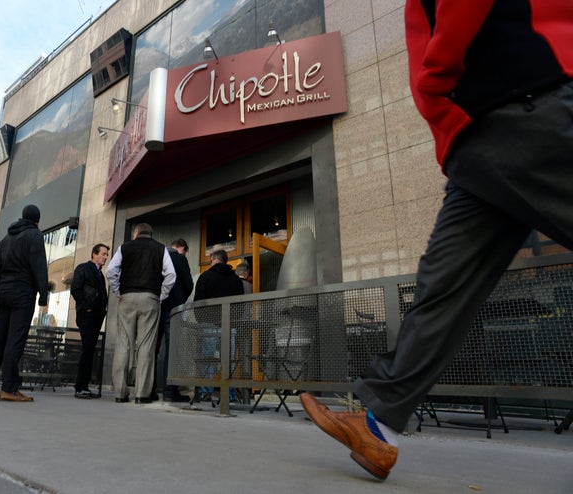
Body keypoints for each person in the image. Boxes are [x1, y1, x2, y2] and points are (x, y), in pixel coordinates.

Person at [300, 0, 573, 481]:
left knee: (441, 291)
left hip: (524, 104)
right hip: (477, 144)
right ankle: (379, 427)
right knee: (441, 291)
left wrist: (435, 77)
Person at [0, 205, 49, 402]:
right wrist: (43, 295)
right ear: (37, 220)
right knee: (15, 339)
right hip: (23, 292)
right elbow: (39, 266)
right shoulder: (34, 235)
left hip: (4, 293)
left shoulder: (6, 239)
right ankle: (9, 388)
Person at [106, 223, 176, 404]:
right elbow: (171, 275)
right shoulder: (160, 248)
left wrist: (118, 291)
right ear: (151, 234)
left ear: (136, 233)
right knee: (146, 346)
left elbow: (111, 271)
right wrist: (161, 295)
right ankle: (141, 394)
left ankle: (120, 393)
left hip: (127, 297)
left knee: (123, 344)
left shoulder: (125, 247)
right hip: (150, 298)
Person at [193, 249, 244, 400]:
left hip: (209, 324)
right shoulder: (235, 279)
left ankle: (206, 392)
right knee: (229, 360)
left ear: (215, 260)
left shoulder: (206, 276)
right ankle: (230, 394)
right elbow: (240, 303)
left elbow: (198, 301)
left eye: (211, 261)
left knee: (208, 359)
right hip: (229, 325)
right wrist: (232, 319)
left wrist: (201, 320)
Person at [153, 238, 194, 402]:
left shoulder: (158, 256)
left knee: (153, 348)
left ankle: (149, 389)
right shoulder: (179, 257)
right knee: (172, 349)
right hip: (173, 308)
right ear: (182, 248)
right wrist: (180, 300)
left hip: (156, 305)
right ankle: (170, 391)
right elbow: (189, 284)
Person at [70, 243, 110, 399]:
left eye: (107, 255)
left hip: (96, 316)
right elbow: (75, 289)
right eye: (103, 254)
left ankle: (84, 386)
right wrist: (86, 307)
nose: (105, 257)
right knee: (87, 349)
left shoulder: (100, 274)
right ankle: (80, 386)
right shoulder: (83, 268)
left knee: (90, 350)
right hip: (87, 315)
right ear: (94, 254)